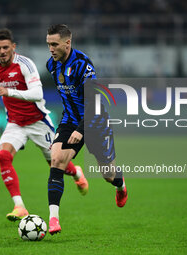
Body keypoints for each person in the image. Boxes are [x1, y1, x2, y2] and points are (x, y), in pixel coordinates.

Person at [0, 28, 88, 221]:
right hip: (15, 123)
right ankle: (19, 206)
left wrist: (8, 93)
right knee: (3, 156)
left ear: (13, 47)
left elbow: (37, 95)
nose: (1, 52)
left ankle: (76, 172)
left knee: (56, 165)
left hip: (38, 122)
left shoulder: (25, 65)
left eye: (5, 47)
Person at [45, 24, 128, 235]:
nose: (51, 49)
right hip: (69, 120)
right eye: (48, 45)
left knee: (108, 174)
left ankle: (121, 185)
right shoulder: (51, 65)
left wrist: (82, 130)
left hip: (95, 122)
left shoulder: (83, 65)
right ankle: (53, 219)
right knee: (56, 160)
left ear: (67, 43)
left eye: (55, 44)